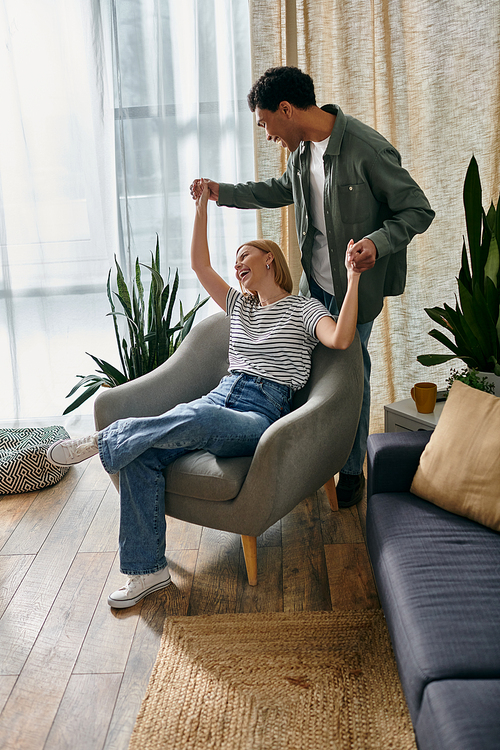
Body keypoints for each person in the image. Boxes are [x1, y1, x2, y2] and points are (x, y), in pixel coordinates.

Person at [46, 180, 365, 609]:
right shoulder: (241, 306)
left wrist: (352, 278)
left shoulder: (304, 309)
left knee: (200, 420)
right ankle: (147, 572)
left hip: (260, 412)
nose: (237, 267)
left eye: (244, 257)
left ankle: (103, 440)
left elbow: (343, 339)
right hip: (218, 396)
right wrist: (202, 207)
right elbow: (200, 265)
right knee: (144, 453)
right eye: (234, 263)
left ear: (269, 258)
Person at [190, 66, 435, 507]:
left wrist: (376, 245)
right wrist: (219, 192)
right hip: (312, 284)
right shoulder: (302, 154)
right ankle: (304, 458)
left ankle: (351, 467)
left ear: (286, 109)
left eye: (265, 122)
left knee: (350, 376)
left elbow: (418, 209)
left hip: (353, 290)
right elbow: (280, 189)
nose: (266, 134)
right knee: (301, 371)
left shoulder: (367, 148)